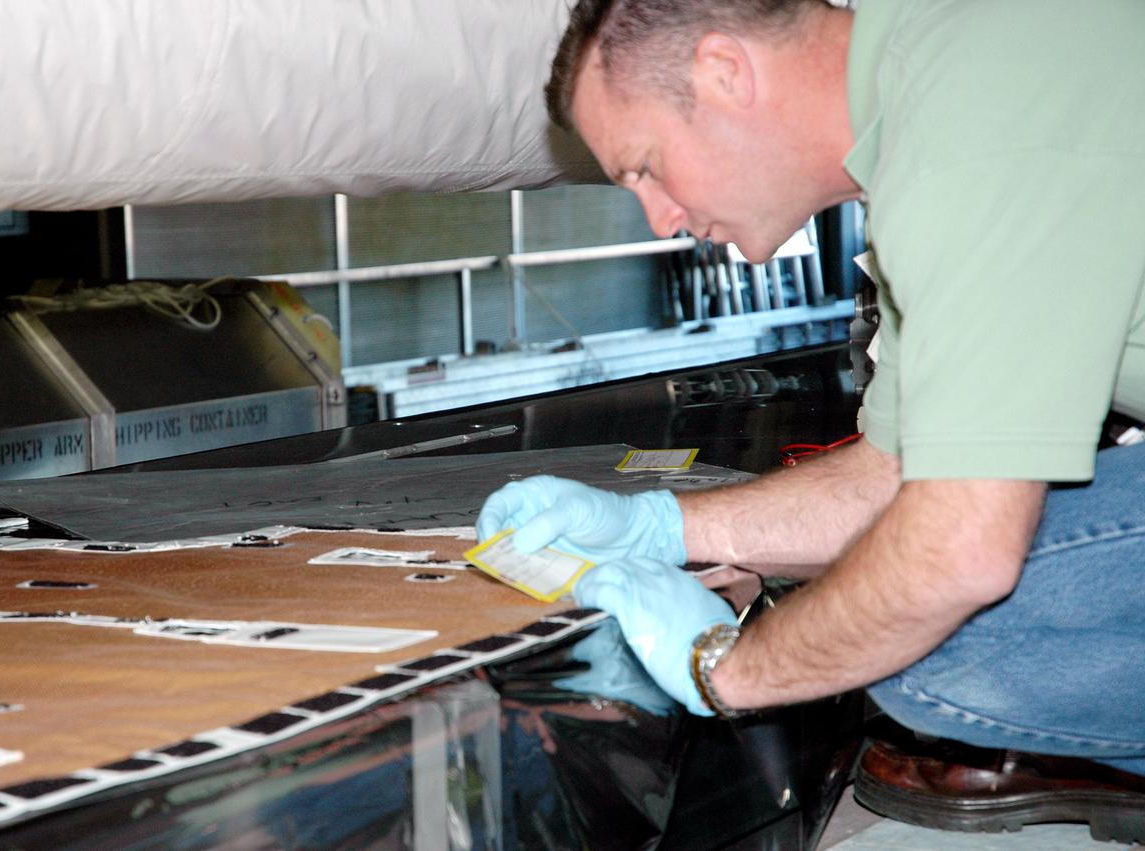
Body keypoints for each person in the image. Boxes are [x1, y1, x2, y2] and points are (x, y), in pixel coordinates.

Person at [477, 0, 1145, 842]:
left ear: (724, 72)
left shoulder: (968, 128)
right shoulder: (934, 95)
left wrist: (730, 668)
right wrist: (658, 526)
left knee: (937, 636)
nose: (661, 219)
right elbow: (892, 473)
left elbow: (957, 550)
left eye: (645, 167)